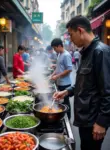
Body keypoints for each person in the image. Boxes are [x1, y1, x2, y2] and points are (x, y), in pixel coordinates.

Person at [53, 16, 110, 150]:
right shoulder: (86, 52)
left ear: (80, 30)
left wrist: (102, 122)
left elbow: (108, 91)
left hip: (93, 120)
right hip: (85, 118)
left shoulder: (101, 52)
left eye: (71, 35)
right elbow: (83, 82)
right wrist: (67, 91)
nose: (70, 39)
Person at [50, 38, 72, 119]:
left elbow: (69, 69)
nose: (54, 50)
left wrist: (57, 76)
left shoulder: (66, 55)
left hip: (65, 83)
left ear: (59, 46)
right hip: (60, 82)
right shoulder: (59, 54)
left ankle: (68, 119)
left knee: (66, 102)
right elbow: (59, 67)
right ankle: (62, 116)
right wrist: (52, 75)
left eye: (55, 48)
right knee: (61, 101)